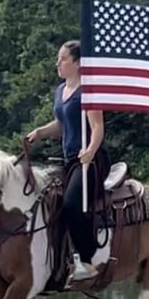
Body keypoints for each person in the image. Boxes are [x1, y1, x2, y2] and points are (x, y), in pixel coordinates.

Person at [26, 39, 111, 281]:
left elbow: (97, 127)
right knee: (47, 202)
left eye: (63, 59)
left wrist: (91, 151)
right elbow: (63, 125)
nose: (58, 63)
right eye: (59, 59)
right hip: (70, 160)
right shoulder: (60, 91)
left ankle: (89, 260)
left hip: (91, 160)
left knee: (72, 203)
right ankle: (58, 259)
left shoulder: (89, 91)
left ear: (77, 63)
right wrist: (41, 132)